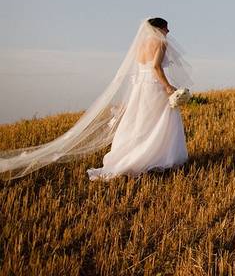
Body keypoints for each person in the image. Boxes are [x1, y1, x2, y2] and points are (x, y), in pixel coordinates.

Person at [0, 17, 190, 180]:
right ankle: (157, 158)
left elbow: (142, 66)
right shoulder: (161, 43)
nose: (168, 30)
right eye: (166, 27)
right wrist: (167, 86)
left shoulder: (140, 45)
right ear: (158, 29)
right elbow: (156, 67)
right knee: (161, 122)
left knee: (140, 122)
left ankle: (136, 156)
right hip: (154, 86)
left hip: (139, 87)